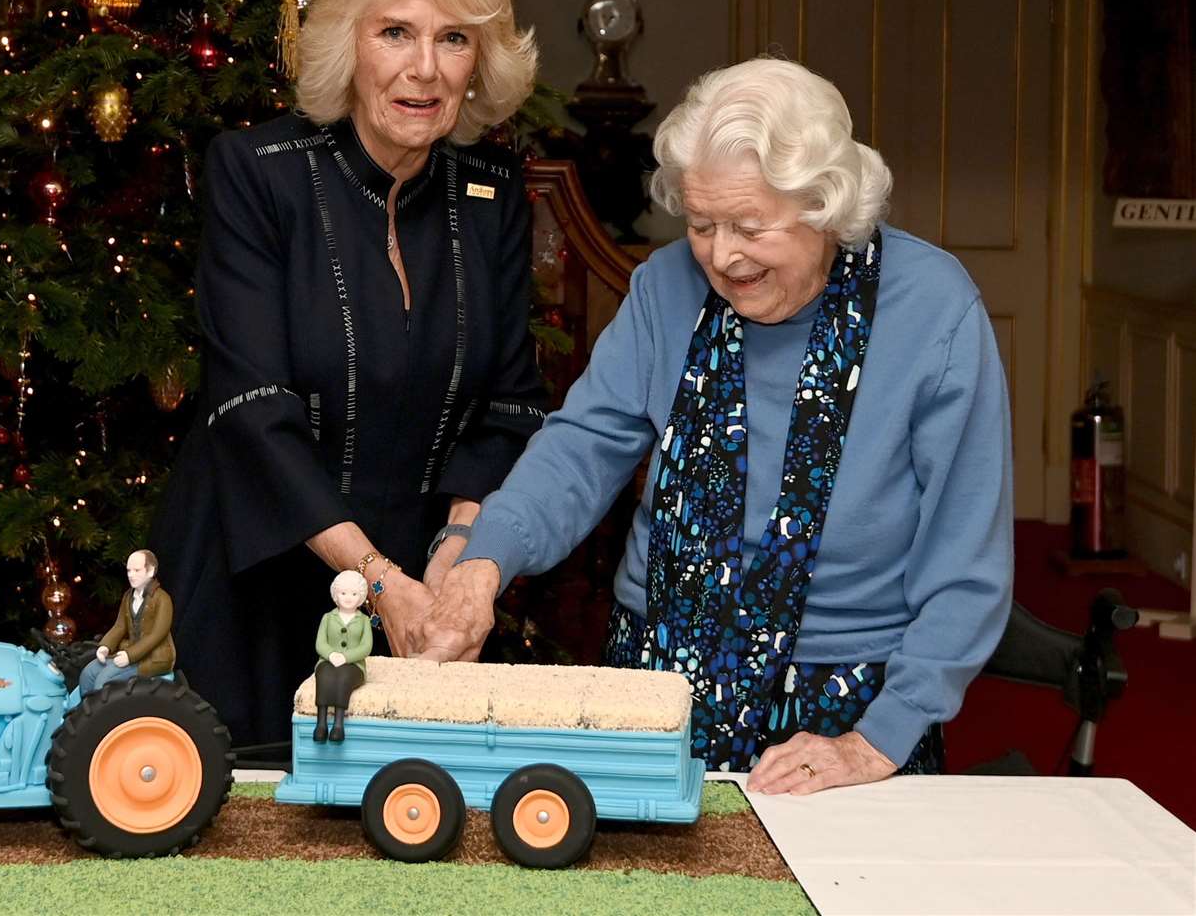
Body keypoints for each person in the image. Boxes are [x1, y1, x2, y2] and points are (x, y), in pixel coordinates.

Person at [430, 58, 1014, 792]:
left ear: (826, 206)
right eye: (701, 223)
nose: (722, 255)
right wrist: (484, 562)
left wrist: (880, 738)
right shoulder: (665, 288)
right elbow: (581, 449)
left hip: (840, 708)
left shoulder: (933, 310)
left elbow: (967, 559)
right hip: (656, 676)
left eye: (749, 225)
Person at [148, 0, 548, 751]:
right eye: (395, 32)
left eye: (454, 39)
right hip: (254, 585)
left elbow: (510, 405)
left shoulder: (493, 196)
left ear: (482, 60)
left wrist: (453, 562)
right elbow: (253, 412)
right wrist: (378, 584)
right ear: (346, 41)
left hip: (422, 601)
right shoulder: (259, 174)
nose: (426, 69)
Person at [78, 549, 176, 697]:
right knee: (88, 674)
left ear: (150, 571)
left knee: (104, 681)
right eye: (129, 570)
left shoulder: (162, 599)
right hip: (128, 652)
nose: (131, 575)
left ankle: (101, 718)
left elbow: (157, 635)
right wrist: (106, 646)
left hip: (153, 657)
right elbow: (120, 626)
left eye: (137, 570)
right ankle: (85, 715)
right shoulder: (128, 597)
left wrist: (130, 656)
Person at [312, 570, 373, 744]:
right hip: (327, 661)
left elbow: (366, 647)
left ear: (361, 597)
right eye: (343, 593)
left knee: (344, 678)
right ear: (336, 595)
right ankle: (321, 723)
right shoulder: (328, 618)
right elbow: (320, 643)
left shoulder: (363, 621)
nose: (348, 598)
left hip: (354, 666)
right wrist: (331, 655)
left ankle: (338, 725)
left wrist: (346, 657)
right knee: (324, 676)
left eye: (354, 594)